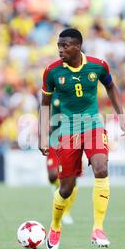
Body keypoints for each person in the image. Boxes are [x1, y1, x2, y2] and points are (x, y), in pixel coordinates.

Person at [39, 28, 125, 249]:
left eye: (65, 46)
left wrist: (121, 115)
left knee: (101, 168)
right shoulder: (52, 72)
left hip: (92, 124)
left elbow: (111, 86)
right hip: (67, 130)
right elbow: (44, 104)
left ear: (77, 46)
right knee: (66, 188)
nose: (60, 49)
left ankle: (97, 229)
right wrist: (44, 136)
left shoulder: (98, 65)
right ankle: (55, 226)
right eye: (58, 46)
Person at [46, 92, 75, 225]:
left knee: (72, 180)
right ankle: (58, 189)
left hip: (72, 139)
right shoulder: (52, 93)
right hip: (54, 138)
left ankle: (66, 212)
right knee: (52, 175)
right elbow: (44, 109)